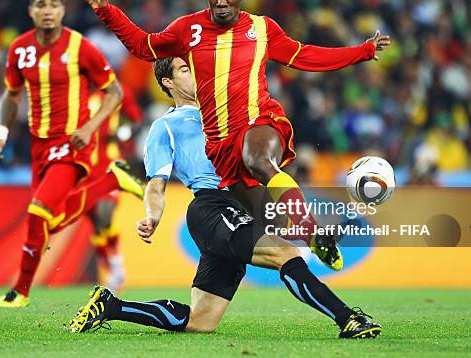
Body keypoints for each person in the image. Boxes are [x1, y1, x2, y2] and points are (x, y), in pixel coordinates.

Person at [77, 0, 391, 270]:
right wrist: (106, 10)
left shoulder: (262, 28)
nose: (222, 2)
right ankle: (312, 244)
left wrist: (361, 51)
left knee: (258, 160)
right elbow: (143, 46)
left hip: (260, 120)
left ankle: (314, 232)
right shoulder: (188, 29)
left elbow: (304, 56)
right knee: (268, 224)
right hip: (221, 145)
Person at [68, 58, 381, 338]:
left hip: (240, 204)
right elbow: (156, 184)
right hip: (212, 206)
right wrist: (152, 216)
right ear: (168, 82)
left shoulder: (227, 110)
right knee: (284, 253)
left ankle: (112, 306)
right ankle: (348, 319)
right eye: (185, 69)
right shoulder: (166, 126)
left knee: (200, 321)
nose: (196, 72)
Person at [0, 0, 143, 308]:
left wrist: (89, 127)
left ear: (62, 11)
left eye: (54, 5)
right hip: (39, 148)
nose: (47, 10)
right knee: (45, 224)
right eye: (41, 5)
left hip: (73, 143)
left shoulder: (80, 47)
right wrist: (0, 134)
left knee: (37, 214)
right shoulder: (19, 49)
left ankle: (20, 292)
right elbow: (12, 95)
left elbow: (115, 93)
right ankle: (114, 179)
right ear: (31, 11)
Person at [86, 83, 144, 292]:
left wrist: (122, 133)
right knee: (96, 223)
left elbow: (136, 119)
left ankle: (117, 266)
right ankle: (113, 270)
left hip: (110, 165)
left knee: (105, 213)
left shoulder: (119, 92)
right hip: (84, 168)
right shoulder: (77, 93)